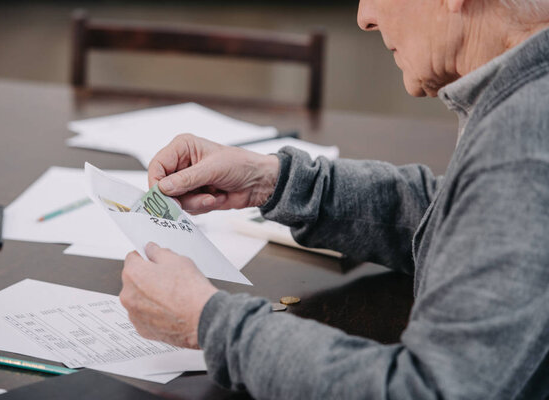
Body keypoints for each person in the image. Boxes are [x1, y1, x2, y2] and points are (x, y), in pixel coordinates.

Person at [119, 0, 549, 398]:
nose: (364, 16)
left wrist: (208, 323)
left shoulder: (523, 145)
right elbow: (458, 217)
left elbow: (428, 390)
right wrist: (274, 181)